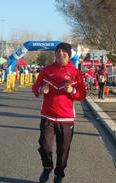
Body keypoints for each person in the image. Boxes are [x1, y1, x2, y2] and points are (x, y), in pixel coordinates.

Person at [32, 42, 86, 183]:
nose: (60, 54)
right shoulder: (46, 70)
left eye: (64, 52)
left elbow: (82, 94)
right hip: (47, 116)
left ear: (68, 55)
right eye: (58, 51)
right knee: (45, 146)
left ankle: (59, 174)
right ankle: (47, 167)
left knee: (63, 150)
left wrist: (72, 91)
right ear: (55, 54)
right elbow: (35, 86)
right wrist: (40, 90)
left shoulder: (75, 73)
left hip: (66, 118)